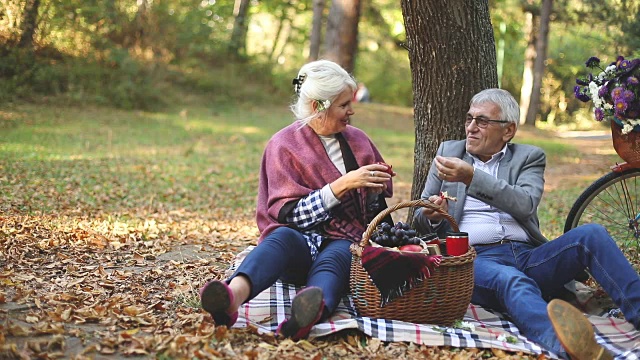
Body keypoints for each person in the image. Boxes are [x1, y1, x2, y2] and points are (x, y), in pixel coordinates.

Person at [412, 88, 640, 359]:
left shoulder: (528, 157)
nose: (471, 128)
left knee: (591, 235)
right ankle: (570, 347)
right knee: (511, 280)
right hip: (475, 260)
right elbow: (419, 217)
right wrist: (433, 215)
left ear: (508, 131)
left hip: (529, 256)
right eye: (469, 119)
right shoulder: (449, 152)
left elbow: (525, 204)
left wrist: (472, 177)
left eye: (482, 121)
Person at [200, 59, 394, 340]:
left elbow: (372, 213)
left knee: (338, 257)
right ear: (318, 106)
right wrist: (342, 185)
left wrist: (374, 189)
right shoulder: (284, 145)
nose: (351, 111)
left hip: (342, 242)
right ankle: (231, 298)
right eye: (343, 105)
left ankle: (306, 315)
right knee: (279, 240)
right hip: (297, 243)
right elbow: (290, 215)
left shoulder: (359, 141)